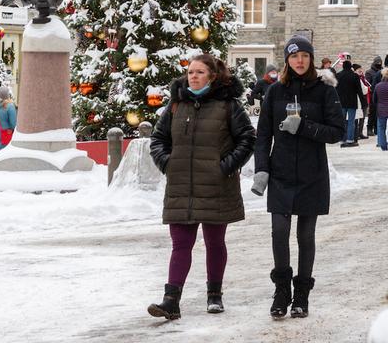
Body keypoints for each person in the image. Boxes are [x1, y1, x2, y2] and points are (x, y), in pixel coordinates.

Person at [147, 54, 256, 320]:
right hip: (181, 184)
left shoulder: (228, 105)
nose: (193, 76)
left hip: (216, 184)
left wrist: (225, 166)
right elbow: (158, 139)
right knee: (180, 244)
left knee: (214, 242)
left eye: (199, 72)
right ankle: (171, 300)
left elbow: (247, 138)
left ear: (213, 76)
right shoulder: (176, 105)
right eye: (190, 72)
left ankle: (214, 294)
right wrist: (168, 163)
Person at [252, 35, 343, 319]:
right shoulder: (275, 91)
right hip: (280, 172)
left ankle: (302, 293)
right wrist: (261, 169)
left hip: (311, 172)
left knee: (305, 234)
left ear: (311, 59)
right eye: (294, 57)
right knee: (279, 231)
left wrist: (304, 126)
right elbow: (263, 134)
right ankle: (282, 290)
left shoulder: (324, 91)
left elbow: (337, 131)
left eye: (304, 56)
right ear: (287, 61)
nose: (300, 61)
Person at [335, 57, 364, 148]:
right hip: (352, 102)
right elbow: (359, 90)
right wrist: (364, 103)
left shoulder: (338, 75)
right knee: (351, 121)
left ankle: (342, 138)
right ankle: (350, 139)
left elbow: (335, 90)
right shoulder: (355, 76)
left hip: (341, 102)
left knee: (342, 121)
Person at [365, 56, 383, 136]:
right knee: (372, 113)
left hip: (381, 94)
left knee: (379, 113)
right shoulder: (369, 72)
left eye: (380, 63)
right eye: (377, 63)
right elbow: (367, 83)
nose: (379, 64)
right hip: (373, 94)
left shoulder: (383, 71)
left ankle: (377, 129)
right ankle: (369, 128)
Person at [354, 64, 370, 140]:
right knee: (357, 117)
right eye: (358, 69)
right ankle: (356, 133)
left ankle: (360, 132)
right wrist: (367, 88)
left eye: (361, 68)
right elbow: (363, 89)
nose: (360, 70)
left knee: (362, 117)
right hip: (359, 99)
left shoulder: (363, 78)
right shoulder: (356, 78)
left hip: (364, 100)